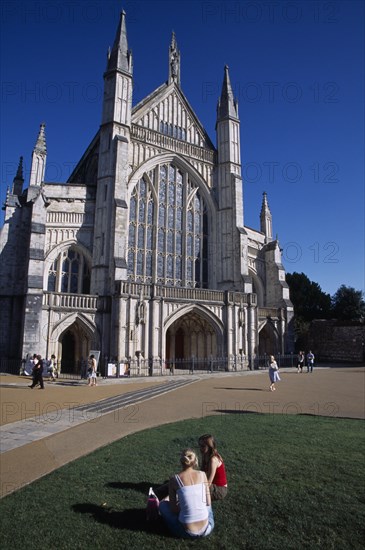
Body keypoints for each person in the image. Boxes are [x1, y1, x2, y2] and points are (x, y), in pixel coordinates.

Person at [159, 449, 214, 539]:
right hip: (207, 528)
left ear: (181, 461)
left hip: (185, 532)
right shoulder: (203, 474)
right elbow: (208, 502)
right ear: (195, 461)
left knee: (162, 505)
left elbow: (174, 511)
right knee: (208, 507)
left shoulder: (174, 479)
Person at [198, 434, 228, 501]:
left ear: (210, 447)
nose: (200, 448)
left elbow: (208, 482)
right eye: (199, 446)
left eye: (203, 446)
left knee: (197, 493)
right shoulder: (205, 455)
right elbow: (202, 473)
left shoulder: (213, 460)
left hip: (220, 489)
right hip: (212, 485)